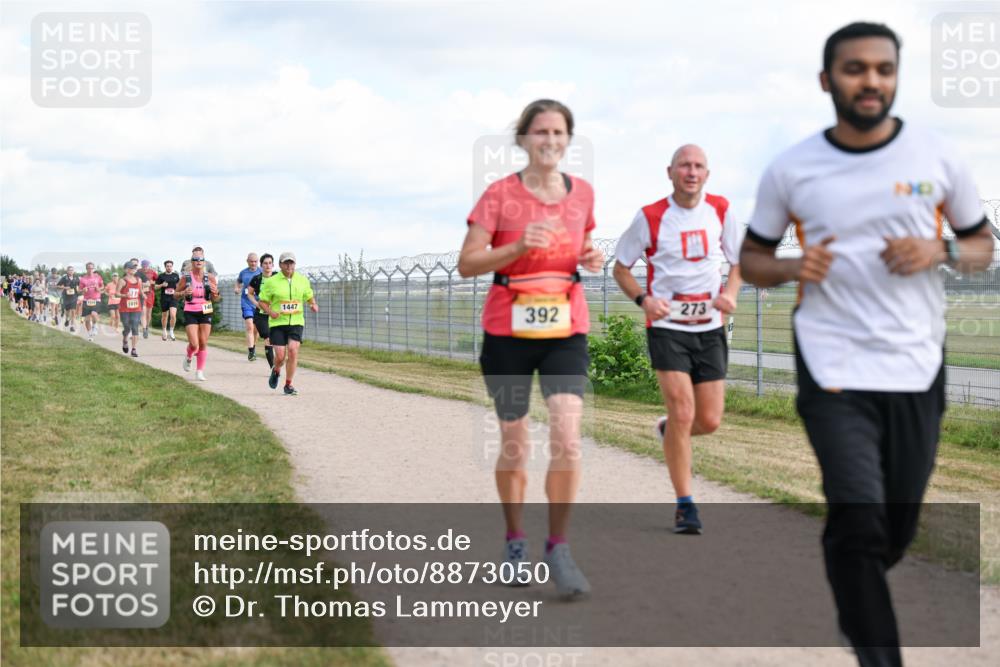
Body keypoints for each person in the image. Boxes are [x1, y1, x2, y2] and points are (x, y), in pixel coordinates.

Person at [738, 22, 997, 667]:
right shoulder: (792, 168)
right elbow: (752, 259)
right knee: (858, 517)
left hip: (915, 363)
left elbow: (983, 245)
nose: (871, 81)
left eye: (883, 69)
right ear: (828, 81)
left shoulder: (937, 157)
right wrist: (797, 267)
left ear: (897, 77)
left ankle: (852, 586)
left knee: (893, 530)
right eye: (855, 69)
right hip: (832, 363)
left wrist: (937, 249)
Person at [456, 99, 604, 600]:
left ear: (568, 139)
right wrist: (518, 247)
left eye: (559, 131)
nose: (550, 139)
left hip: (565, 326)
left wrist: (591, 254)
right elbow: (468, 263)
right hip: (508, 333)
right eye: (540, 131)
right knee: (516, 442)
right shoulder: (499, 196)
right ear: (523, 139)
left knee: (566, 435)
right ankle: (515, 542)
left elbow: (581, 248)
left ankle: (558, 548)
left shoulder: (582, 193)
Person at [613, 144, 743, 534]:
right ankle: (686, 505)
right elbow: (621, 268)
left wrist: (731, 294)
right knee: (684, 412)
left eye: (699, 166)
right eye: (684, 165)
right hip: (668, 327)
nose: (691, 171)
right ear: (670, 172)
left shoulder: (721, 210)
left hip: (709, 326)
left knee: (709, 420)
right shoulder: (651, 216)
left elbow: (738, 262)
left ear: (707, 173)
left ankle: (668, 431)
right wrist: (643, 299)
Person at [257, 252, 318, 395]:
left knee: (293, 350)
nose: (289, 265)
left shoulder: (302, 280)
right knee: (279, 357)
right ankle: (276, 370)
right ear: (280, 265)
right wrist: (270, 312)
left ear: (295, 265)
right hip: (278, 323)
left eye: (291, 263)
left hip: (296, 322)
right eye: (286, 263)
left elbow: (309, 295)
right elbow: (262, 302)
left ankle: (288, 385)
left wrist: (313, 304)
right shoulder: (272, 281)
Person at [177, 247, 220, 381]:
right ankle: (189, 355)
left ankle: (200, 371)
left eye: (201, 259)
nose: (198, 261)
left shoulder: (210, 278)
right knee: (194, 344)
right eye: (195, 259)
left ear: (204, 261)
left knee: (203, 342)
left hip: (205, 310)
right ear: (192, 261)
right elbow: (175, 295)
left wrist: (215, 293)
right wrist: (183, 293)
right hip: (190, 311)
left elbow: (216, 298)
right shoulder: (186, 278)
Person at [246, 253, 276, 368]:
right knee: (268, 338)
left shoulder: (278, 277)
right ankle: (273, 368)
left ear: (273, 265)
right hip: (262, 314)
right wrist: (257, 304)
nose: (268, 266)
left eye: (270, 263)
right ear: (261, 265)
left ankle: (277, 360)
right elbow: (249, 293)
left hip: (276, 314)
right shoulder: (257, 279)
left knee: (278, 341)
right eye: (265, 263)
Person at [236, 253, 262, 361]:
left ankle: (253, 347)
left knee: (256, 330)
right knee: (250, 327)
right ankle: (251, 351)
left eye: (255, 261)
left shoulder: (261, 272)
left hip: (259, 303)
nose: (253, 263)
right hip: (246, 302)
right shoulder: (243, 272)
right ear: (247, 261)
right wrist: (237, 288)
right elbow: (238, 281)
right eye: (251, 261)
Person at [118, 262, 145, 356]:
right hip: (124, 308)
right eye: (131, 268)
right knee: (127, 327)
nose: (133, 269)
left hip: (136, 307)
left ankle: (134, 349)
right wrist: (124, 295)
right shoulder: (122, 281)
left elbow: (140, 291)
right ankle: (125, 339)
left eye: (134, 268)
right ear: (126, 269)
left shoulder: (139, 280)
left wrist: (143, 295)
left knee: (135, 327)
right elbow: (117, 293)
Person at [78, 262, 105, 341]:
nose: (90, 270)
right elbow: (79, 290)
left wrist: (99, 289)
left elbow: (102, 286)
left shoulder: (98, 277)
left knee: (94, 314)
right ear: (86, 269)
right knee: (87, 320)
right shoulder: (83, 279)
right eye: (88, 268)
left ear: (94, 269)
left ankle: (95, 325)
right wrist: (83, 290)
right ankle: (90, 335)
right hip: (86, 300)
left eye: (91, 268)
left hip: (96, 299)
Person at [155, 260, 180, 341]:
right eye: (167, 266)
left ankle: (171, 331)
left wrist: (178, 291)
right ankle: (164, 331)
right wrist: (162, 285)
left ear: (172, 267)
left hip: (173, 298)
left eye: (170, 266)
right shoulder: (161, 276)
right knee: (165, 316)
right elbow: (155, 287)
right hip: (164, 298)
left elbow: (179, 286)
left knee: (173, 315)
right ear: (165, 267)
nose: (169, 267)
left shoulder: (176, 275)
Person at [56, 266, 80, 332]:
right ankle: (67, 319)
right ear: (67, 271)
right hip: (66, 297)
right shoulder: (64, 278)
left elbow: (79, 285)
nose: (71, 271)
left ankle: (72, 326)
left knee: (73, 311)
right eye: (69, 270)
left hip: (74, 296)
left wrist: (79, 290)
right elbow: (57, 286)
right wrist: (65, 288)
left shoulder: (76, 278)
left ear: (73, 271)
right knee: (67, 312)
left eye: (72, 270)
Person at [139, 259, 158, 338]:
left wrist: (152, 282)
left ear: (148, 266)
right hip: (141, 294)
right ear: (141, 265)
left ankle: (147, 327)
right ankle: (144, 329)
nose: (145, 268)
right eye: (144, 266)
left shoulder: (152, 272)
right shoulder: (138, 272)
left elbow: (158, 281)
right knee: (143, 312)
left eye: (146, 266)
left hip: (150, 294)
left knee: (148, 313)